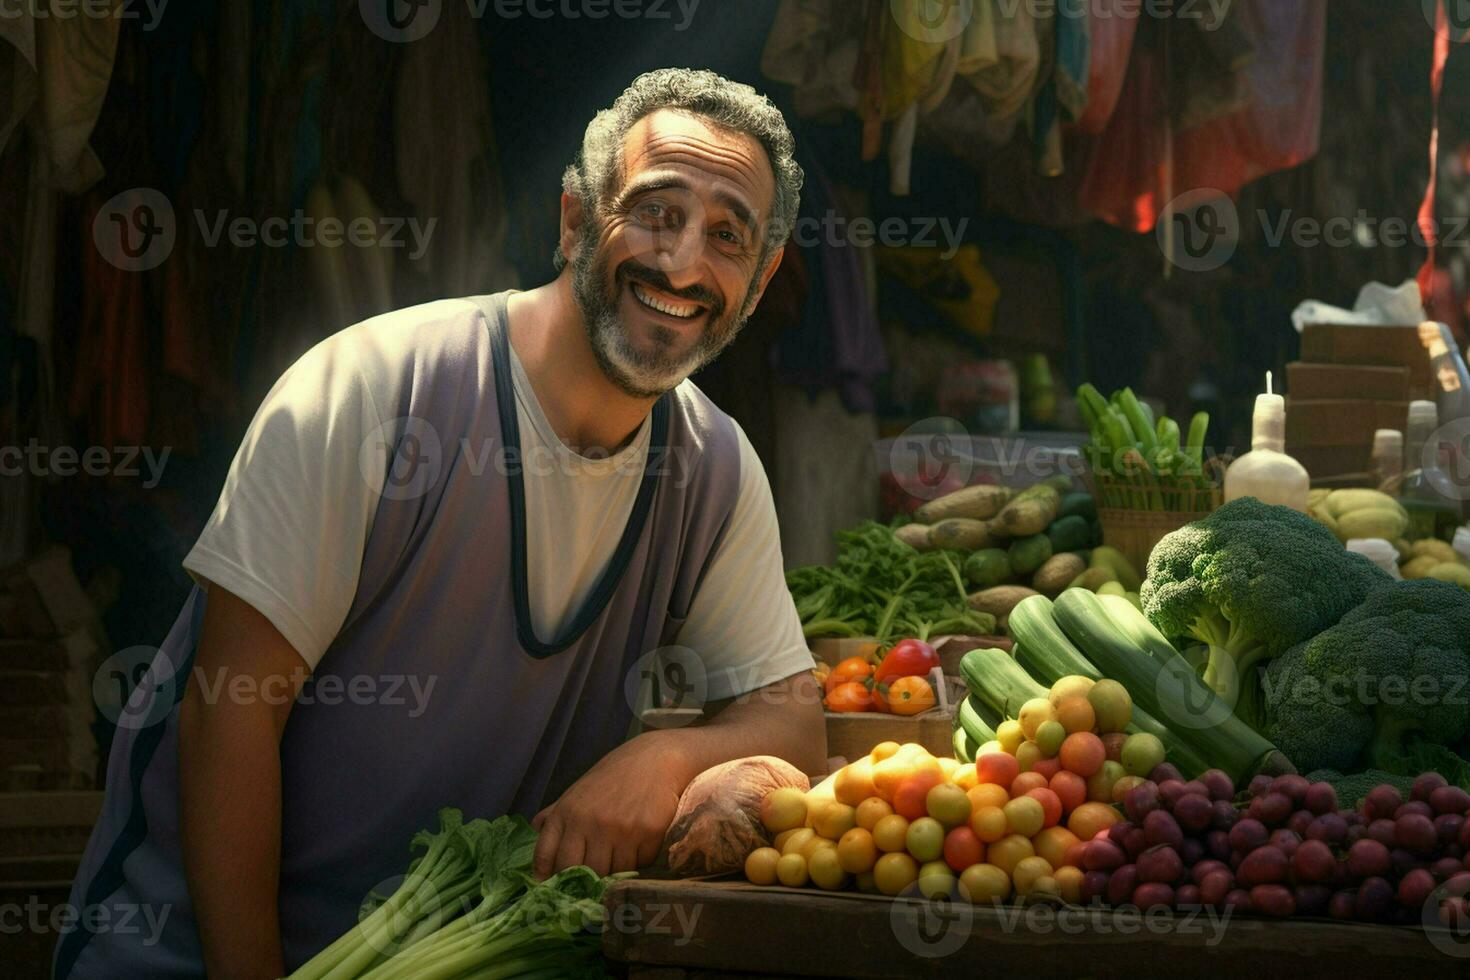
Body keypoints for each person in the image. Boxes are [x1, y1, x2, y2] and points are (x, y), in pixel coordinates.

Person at [58, 68, 825, 980]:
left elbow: (793, 724)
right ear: (576, 218)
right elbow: (228, 719)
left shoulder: (715, 470)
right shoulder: (375, 392)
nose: (684, 262)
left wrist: (663, 758)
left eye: (727, 235)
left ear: (761, 274)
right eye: (656, 211)